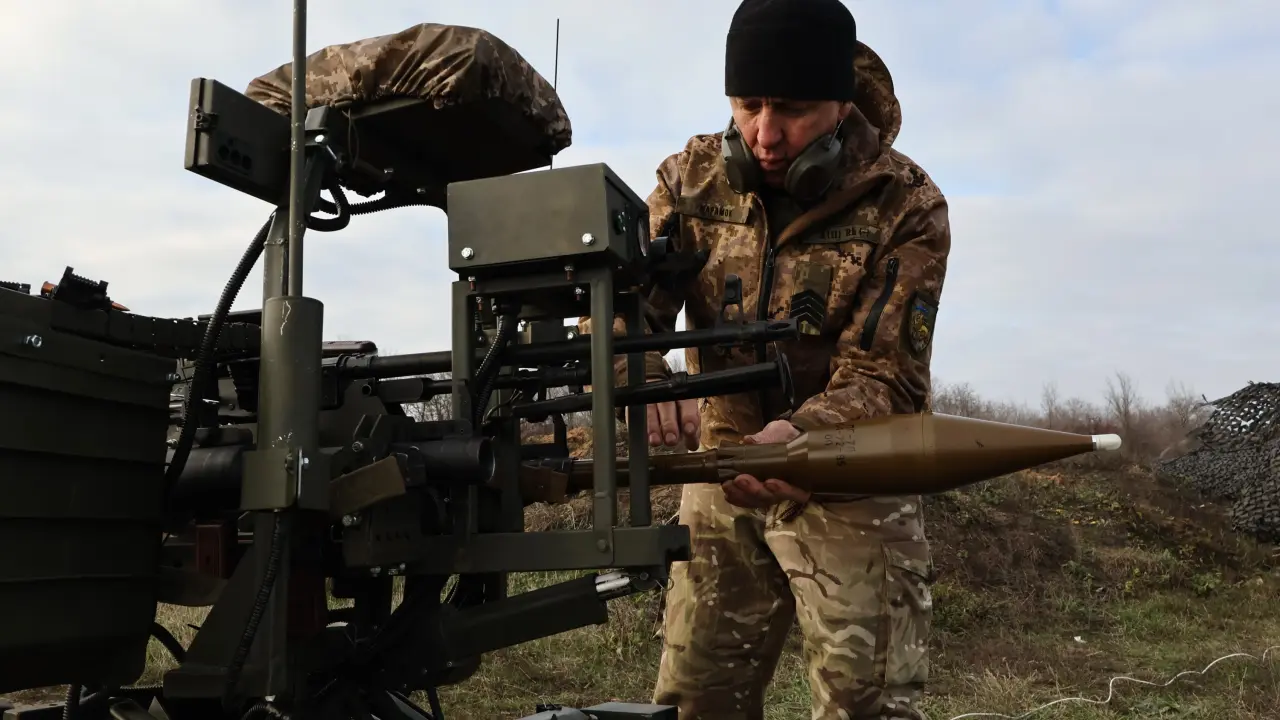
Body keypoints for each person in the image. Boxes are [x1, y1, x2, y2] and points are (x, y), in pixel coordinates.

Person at [582, 0, 950, 717]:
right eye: (747, 105)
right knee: (694, 702)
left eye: (794, 110)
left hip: (851, 473)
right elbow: (621, 311)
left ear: (841, 105)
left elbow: (887, 375)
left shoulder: (906, 204)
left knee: (865, 704)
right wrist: (645, 377)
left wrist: (798, 439)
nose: (765, 133)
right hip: (721, 474)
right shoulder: (689, 180)